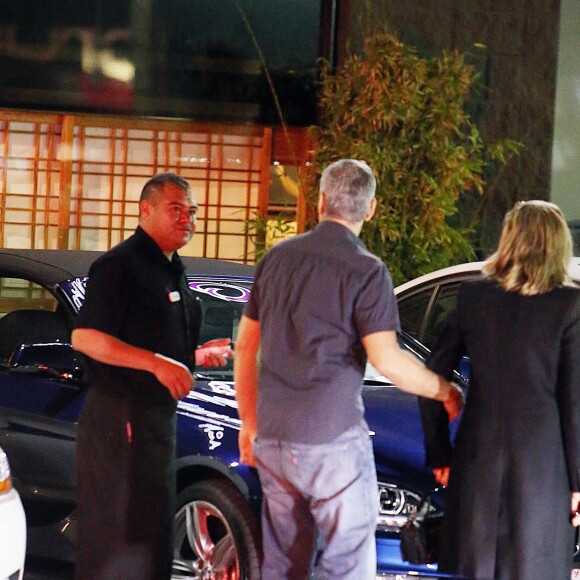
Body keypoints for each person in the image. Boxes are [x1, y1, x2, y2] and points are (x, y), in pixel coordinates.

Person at [234, 158, 464, 579]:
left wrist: (248, 420)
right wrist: (445, 392)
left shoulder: (276, 259)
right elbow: (387, 360)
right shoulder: (367, 271)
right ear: (371, 209)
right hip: (332, 441)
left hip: (273, 437)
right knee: (348, 562)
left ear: (320, 201)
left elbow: (246, 346)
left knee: (284, 561)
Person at [72, 172, 229, 580]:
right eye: (176, 209)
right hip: (119, 419)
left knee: (152, 538)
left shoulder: (173, 269)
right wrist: (158, 364)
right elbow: (86, 338)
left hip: (158, 424)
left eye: (192, 211)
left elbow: (156, 344)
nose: (187, 219)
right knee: (117, 540)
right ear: (145, 210)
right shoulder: (117, 265)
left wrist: (193, 356)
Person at [419, 200, 580, 580]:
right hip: (543, 470)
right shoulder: (569, 306)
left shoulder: (472, 297)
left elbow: (434, 374)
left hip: (478, 461)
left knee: (476, 567)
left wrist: (439, 450)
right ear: (557, 246)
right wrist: (578, 483)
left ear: (508, 241)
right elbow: (573, 403)